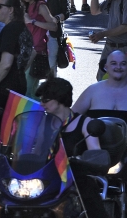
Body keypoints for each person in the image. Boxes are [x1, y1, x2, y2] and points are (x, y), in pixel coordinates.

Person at [36, 78, 107, 218]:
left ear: (59, 99)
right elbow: (36, 152)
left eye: (45, 100)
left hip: (76, 180)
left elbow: (95, 154)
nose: (41, 104)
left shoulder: (85, 123)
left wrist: (84, 159)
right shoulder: (43, 122)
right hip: (47, 178)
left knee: (90, 201)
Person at [89, 0, 127, 80]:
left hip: (124, 48)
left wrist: (103, 34)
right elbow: (94, 11)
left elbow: (125, 27)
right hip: (110, 46)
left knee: (122, 82)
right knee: (101, 79)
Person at [73, 49, 127, 116]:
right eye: (114, 63)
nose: (118, 67)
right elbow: (70, 118)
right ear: (105, 67)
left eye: (123, 64)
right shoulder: (92, 90)